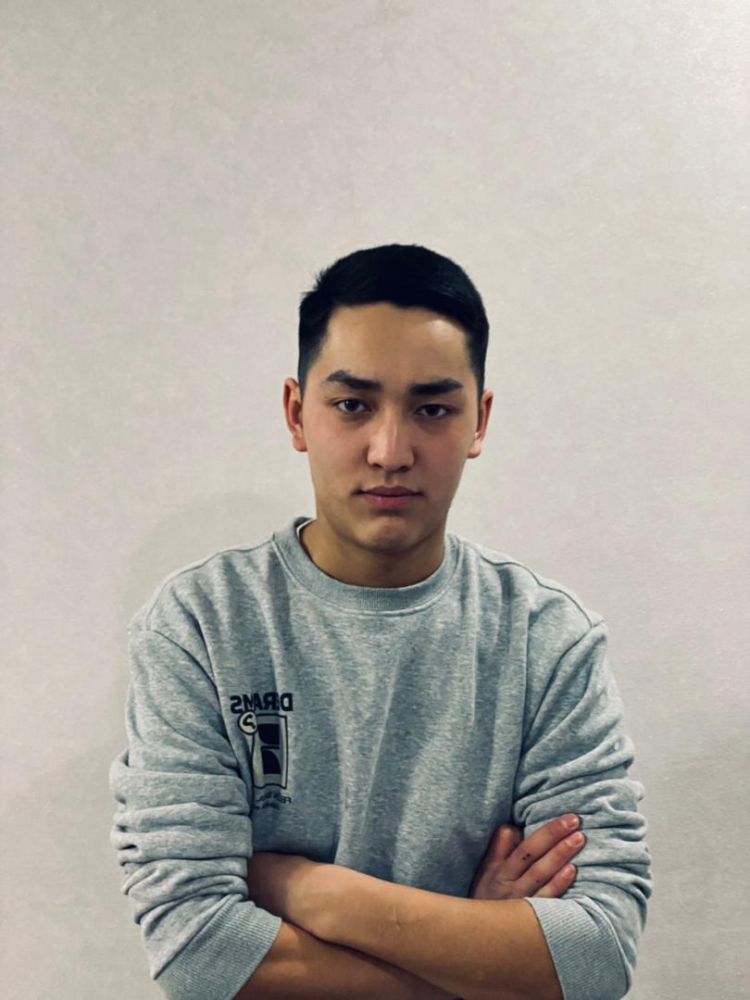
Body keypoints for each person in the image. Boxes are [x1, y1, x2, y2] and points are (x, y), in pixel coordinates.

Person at [109, 243, 652, 1000]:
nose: (390, 451)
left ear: (479, 421)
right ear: (297, 413)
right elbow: (198, 954)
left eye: (432, 409)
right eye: (353, 405)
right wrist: (476, 949)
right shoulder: (201, 626)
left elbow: (597, 956)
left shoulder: (547, 640)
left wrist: (313, 891)